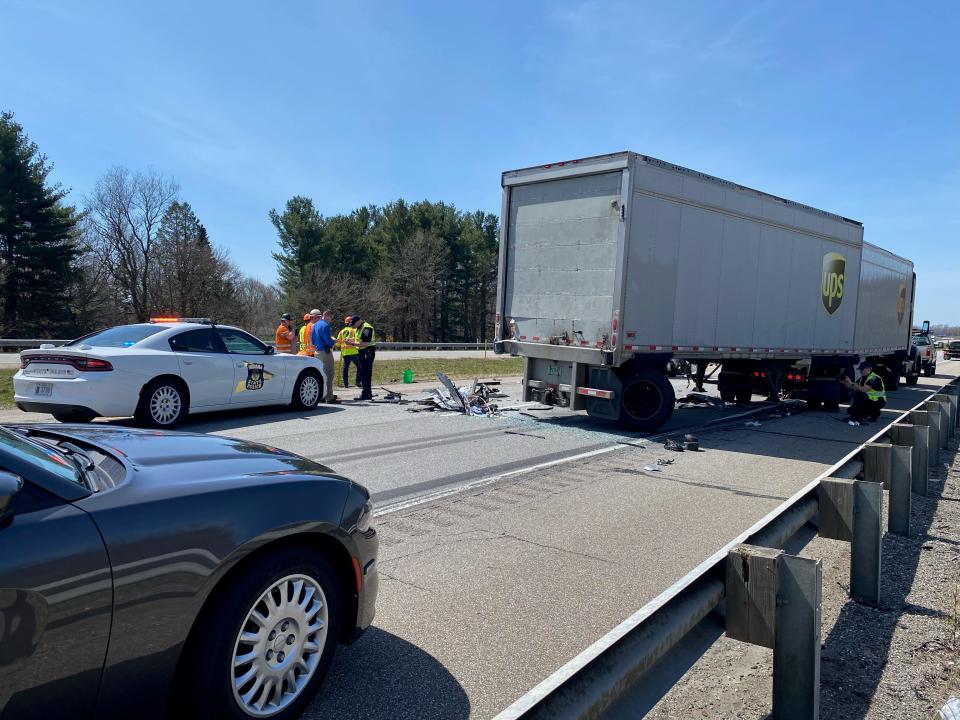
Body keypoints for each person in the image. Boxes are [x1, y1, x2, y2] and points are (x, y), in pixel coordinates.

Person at [310, 310, 339, 403]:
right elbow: (328, 341)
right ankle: (329, 397)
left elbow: (313, 341)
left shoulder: (315, 325)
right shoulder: (325, 326)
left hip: (317, 352)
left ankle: (321, 396)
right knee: (329, 374)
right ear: (326, 316)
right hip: (325, 352)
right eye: (331, 318)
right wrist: (334, 341)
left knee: (321, 375)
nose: (331, 320)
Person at [349, 316, 377, 401]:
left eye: (353, 324)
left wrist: (353, 344)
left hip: (367, 352)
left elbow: (364, 343)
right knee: (362, 373)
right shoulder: (360, 327)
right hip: (362, 352)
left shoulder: (366, 328)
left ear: (358, 322)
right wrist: (351, 340)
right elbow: (359, 339)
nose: (352, 326)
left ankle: (367, 394)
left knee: (366, 374)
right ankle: (366, 393)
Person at [336, 315, 359, 388]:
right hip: (354, 352)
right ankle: (358, 382)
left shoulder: (341, 332)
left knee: (345, 369)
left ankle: (346, 384)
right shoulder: (355, 330)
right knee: (360, 367)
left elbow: (337, 343)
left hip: (345, 353)